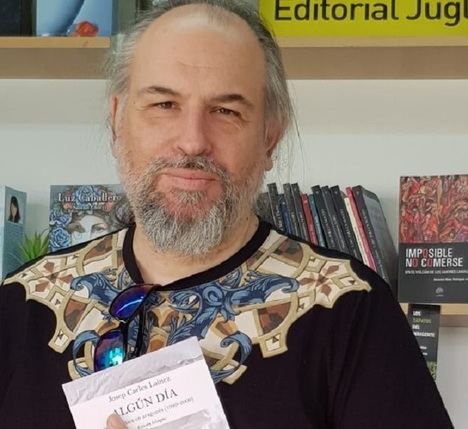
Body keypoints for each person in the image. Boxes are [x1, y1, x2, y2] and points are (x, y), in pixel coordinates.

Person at [0, 1, 453, 428]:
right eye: (164, 105)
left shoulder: (349, 308)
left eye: (225, 110)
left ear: (270, 138)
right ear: (117, 121)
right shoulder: (23, 302)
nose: (193, 140)